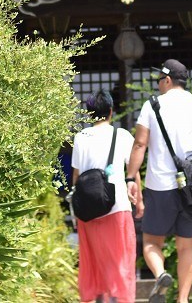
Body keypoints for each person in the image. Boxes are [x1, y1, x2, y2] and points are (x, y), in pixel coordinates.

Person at [125, 59, 192, 303]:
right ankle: (183, 300)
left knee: (151, 243)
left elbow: (140, 144)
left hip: (160, 188)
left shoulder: (152, 106)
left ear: (167, 80)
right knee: (187, 247)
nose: (157, 86)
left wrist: (130, 177)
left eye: (158, 81)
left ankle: (161, 274)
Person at [71, 90, 137, 303]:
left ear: (89, 114)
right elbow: (132, 174)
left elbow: (76, 177)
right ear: (111, 111)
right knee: (120, 258)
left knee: (95, 258)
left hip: (89, 208)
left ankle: (100, 299)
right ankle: (117, 298)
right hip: (117, 204)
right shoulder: (123, 136)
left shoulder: (81, 138)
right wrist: (140, 201)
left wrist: (75, 209)